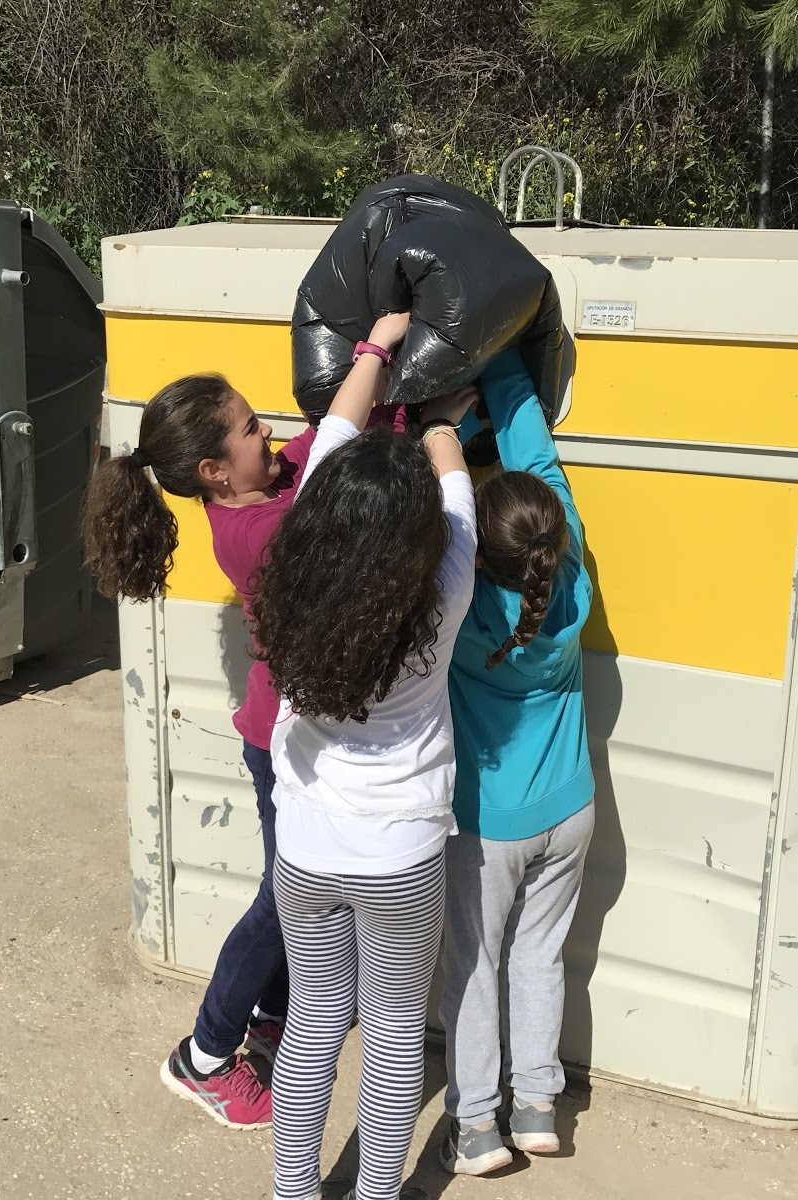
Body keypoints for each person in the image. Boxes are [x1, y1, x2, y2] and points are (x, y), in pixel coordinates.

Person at [78, 338, 407, 1131]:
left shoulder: (278, 480)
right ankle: (202, 1055)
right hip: (280, 744)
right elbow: (335, 450)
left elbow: (327, 434)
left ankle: (270, 1019)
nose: (268, 432)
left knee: (291, 892)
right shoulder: (257, 532)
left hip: (292, 731)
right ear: (216, 473)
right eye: (249, 429)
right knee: (281, 900)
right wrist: (376, 348)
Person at [250, 315, 480, 1200]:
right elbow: (455, 485)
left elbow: (339, 433)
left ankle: (293, 1191)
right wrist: (441, 422)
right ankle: (376, 1193)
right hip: (400, 852)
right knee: (389, 1034)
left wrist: (376, 347)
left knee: (313, 1020)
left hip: (305, 844)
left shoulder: (295, 557)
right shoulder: (449, 580)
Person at [435, 349, 595, 1175]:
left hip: (488, 820)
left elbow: (427, 502)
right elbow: (537, 454)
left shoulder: (458, 597)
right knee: (539, 956)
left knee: (475, 965)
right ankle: (537, 1108)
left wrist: (446, 426)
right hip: (571, 809)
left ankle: (477, 1130)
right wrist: (504, 363)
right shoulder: (570, 575)